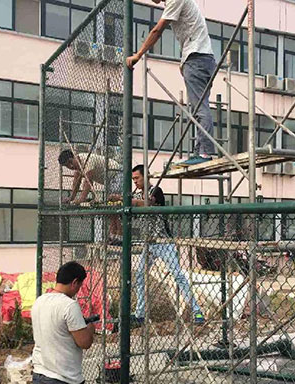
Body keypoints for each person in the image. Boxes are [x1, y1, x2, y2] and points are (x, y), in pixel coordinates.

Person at [126, 0, 216, 166]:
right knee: (198, 107)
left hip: (197, 57)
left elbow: (157, 30)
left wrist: (138, 55)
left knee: (200, 108)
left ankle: (205, 152)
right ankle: (200, 151)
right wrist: (184, 63)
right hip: (200, 58)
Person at [127, 164, 205, 325]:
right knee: (140, 275)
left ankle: (197, 311)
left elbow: (149, 203)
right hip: (149, 243)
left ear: (145, 177)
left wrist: (129, 201)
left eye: (137, 178)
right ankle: (140, 314)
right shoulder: (137, 194)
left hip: (163, 241)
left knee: (177, 275)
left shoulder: (156, 191)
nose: (135, 181)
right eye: (133, 179)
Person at [31, 261, 94, 384]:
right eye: (80, 285)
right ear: (74, 282)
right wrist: (90, 328)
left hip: (40, 376)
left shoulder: (40, 301)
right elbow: (84, 342)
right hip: (64, 382)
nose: (79, 290)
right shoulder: (69, 306)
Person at [59, 149, 123, 242]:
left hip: (117, 173)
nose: (71, 166)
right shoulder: (78, 167)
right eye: (67, 165)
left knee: (114, 206)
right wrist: (71, 198)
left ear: (74, 156)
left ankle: (120, 236)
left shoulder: (87, 160)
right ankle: (113, 235)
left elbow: (88, 182)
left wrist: (81, 199)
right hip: (109, 181)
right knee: (111, 209)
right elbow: (76, 183)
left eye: (71, 162)